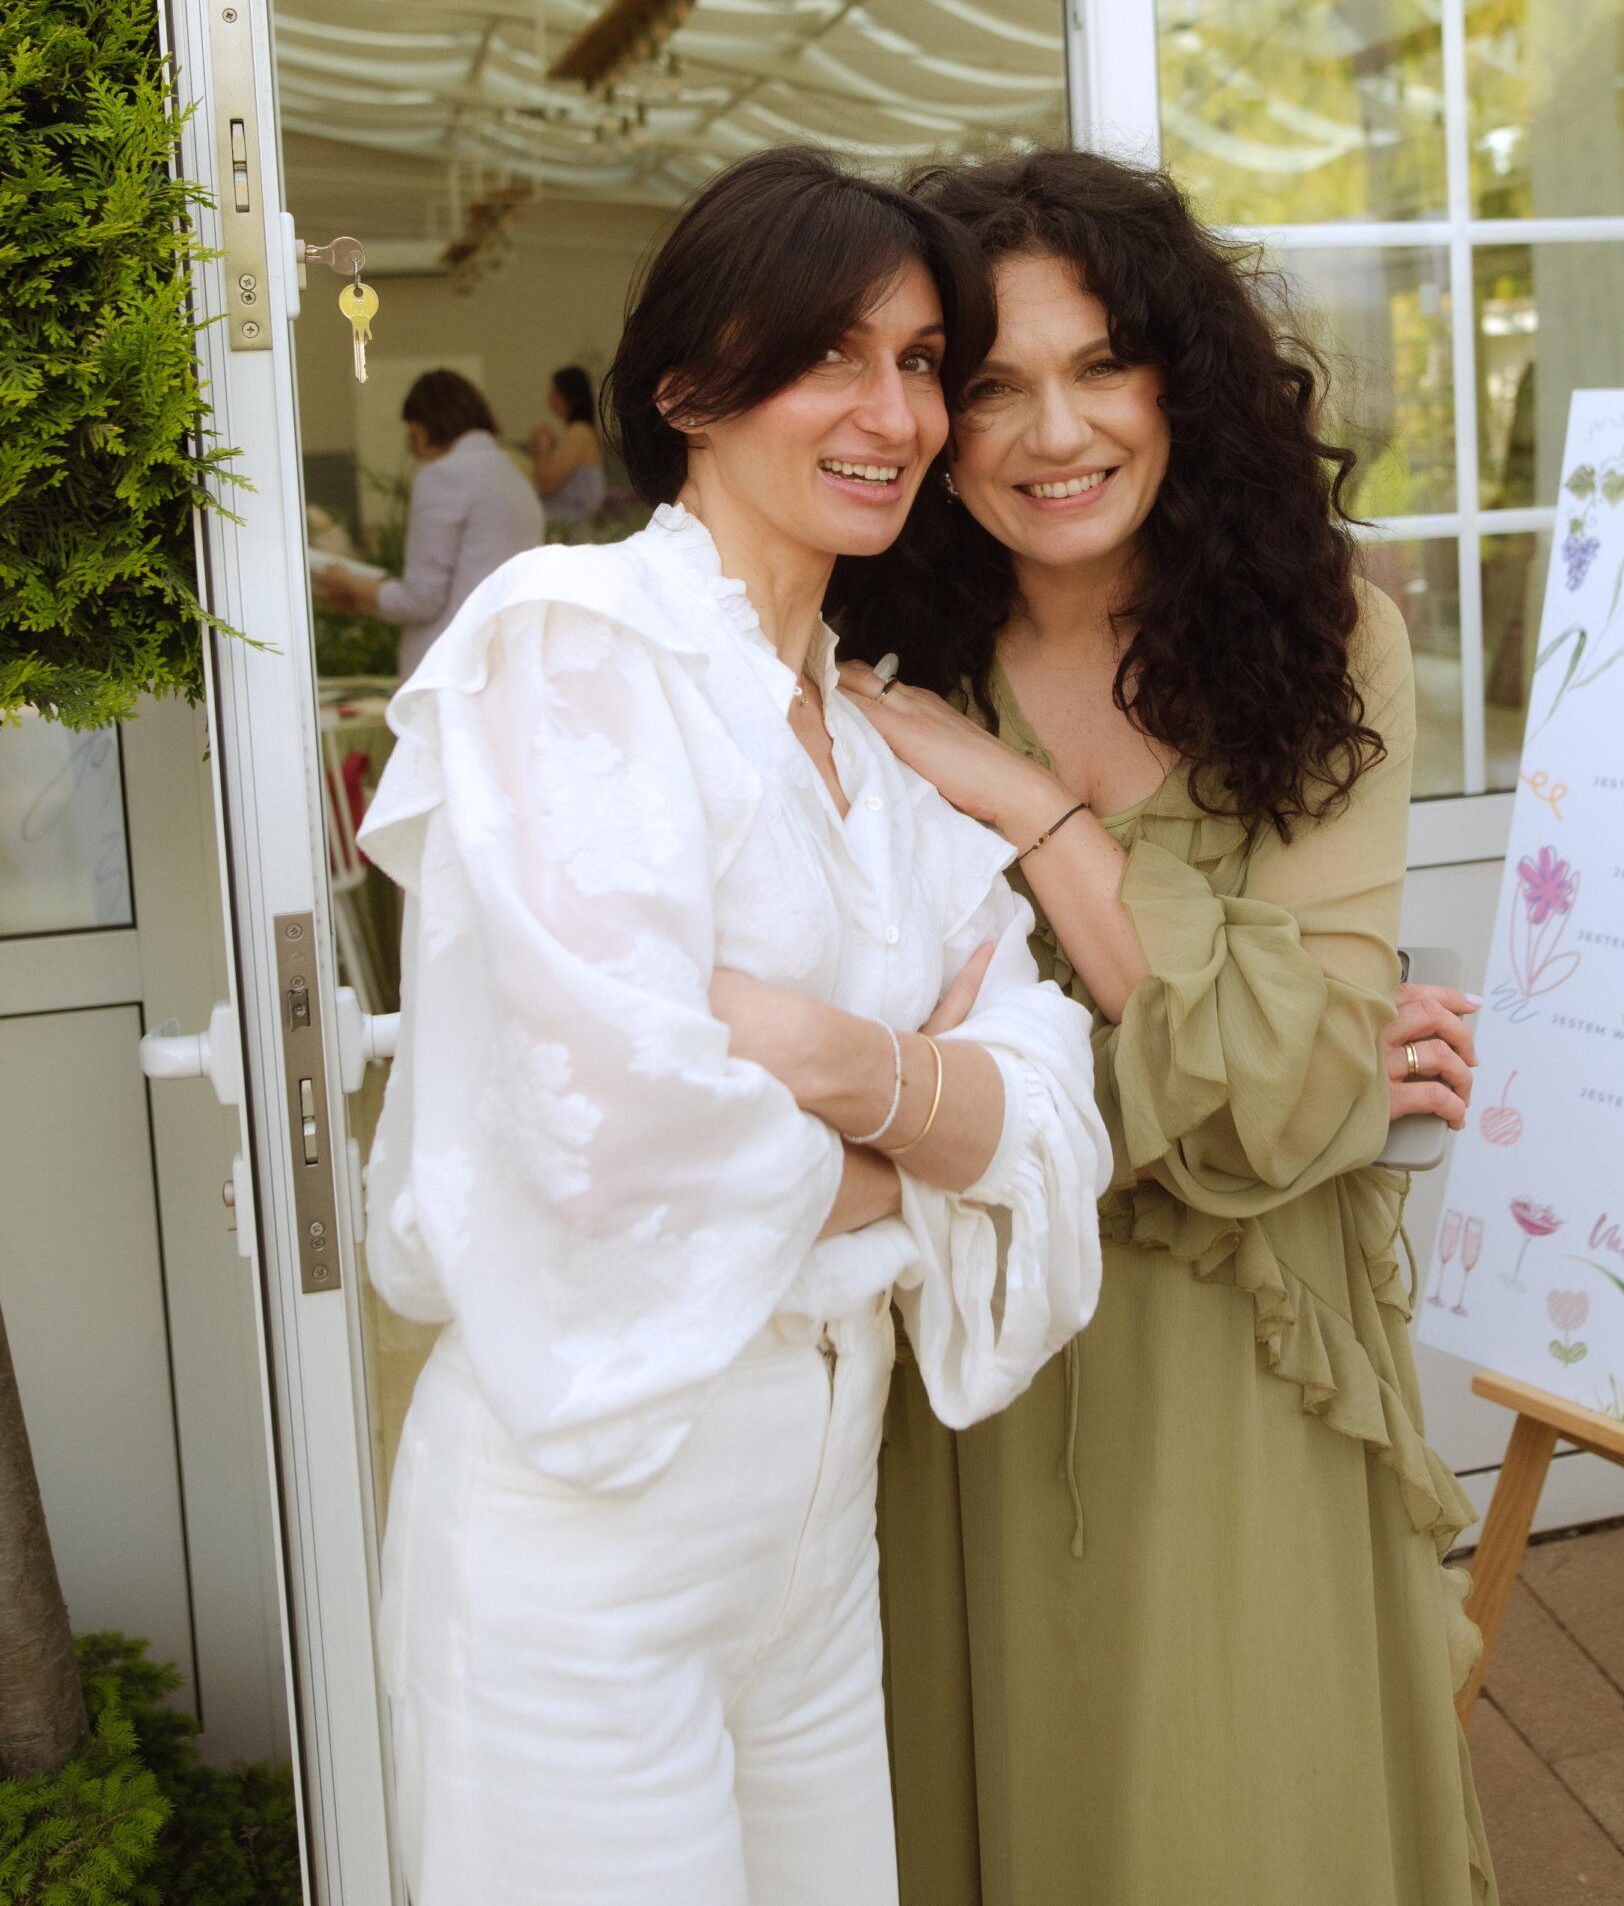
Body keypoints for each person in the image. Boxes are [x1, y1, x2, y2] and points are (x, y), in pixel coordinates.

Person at [354, 149, 1110, 1906]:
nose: (894, 414)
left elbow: (1054, 1092)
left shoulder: (869, 737)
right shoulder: (573, 648)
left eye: (920, 362)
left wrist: (832, 1066)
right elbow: (611, 1131)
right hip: (590, 1527)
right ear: (691, 389)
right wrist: (927, 1138)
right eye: (828, 356)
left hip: (814, 1524)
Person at [834, 150, 1497, 1906]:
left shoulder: (1322, 640)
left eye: (1101, 366)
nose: (1053, 433)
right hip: (969, 1366)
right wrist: (1275, 1059)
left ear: (1178, 381)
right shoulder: (859, 671)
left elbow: (1279, 1091)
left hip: (1248, 1350)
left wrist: (1025, 810)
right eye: (991, 385)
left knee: (1241, 1805)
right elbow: (842, 1091)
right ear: (926, 417)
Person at [317, 369, 543, 678]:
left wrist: (348, 583)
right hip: (505, 660)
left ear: (421, 430)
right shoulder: (513, 475)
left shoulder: (443, 475)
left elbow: (422, 600)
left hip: (450, 668)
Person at [529, 362, 608, 531]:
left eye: (554, 393)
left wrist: (543, 446)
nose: (549, 399)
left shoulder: (579, 432)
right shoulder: (577, 432)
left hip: (572, 525)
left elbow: (547, 485)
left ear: (571, 397)